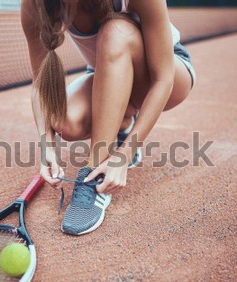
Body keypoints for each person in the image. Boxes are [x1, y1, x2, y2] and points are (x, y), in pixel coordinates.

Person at [21, 0, 196, 235]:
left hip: (167, 72)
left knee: (115, 31)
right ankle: (123, 122)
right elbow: (41, 84)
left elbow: (163, 79)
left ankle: (94, 174)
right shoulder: (35, 4)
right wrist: (47, 147)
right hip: (106, 72)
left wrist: (123, 156)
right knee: (63, 121)